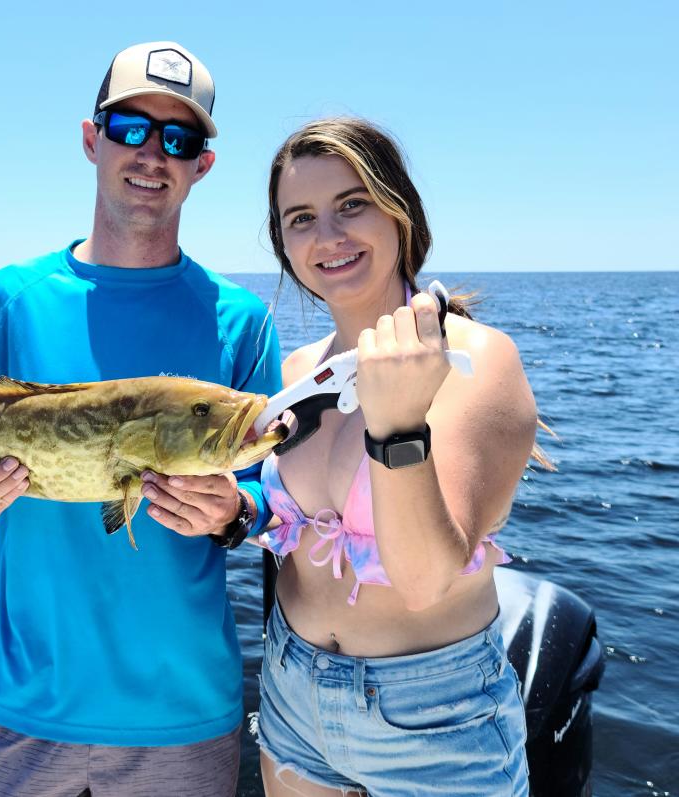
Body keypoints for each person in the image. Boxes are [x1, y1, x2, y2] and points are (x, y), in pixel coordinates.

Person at [0, 42, 282, 797]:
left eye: (179, 139)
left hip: (184, 717)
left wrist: (233, 512)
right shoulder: (7, 300)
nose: (152, 153)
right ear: (91, 138)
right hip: (26, 708)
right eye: (130, 128)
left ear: (202, 166)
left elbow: (276, 501)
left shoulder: (242, 323)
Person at [254, 118, 538, 796]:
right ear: (284, 243)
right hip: (292, 690)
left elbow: (423, 582)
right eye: (301, 217)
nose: (327, 236)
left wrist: (395, 423)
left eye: (352, 204)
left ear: (398, 209)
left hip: (433, 718)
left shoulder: (476, 359)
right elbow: (295, 537)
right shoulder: (296, 369)